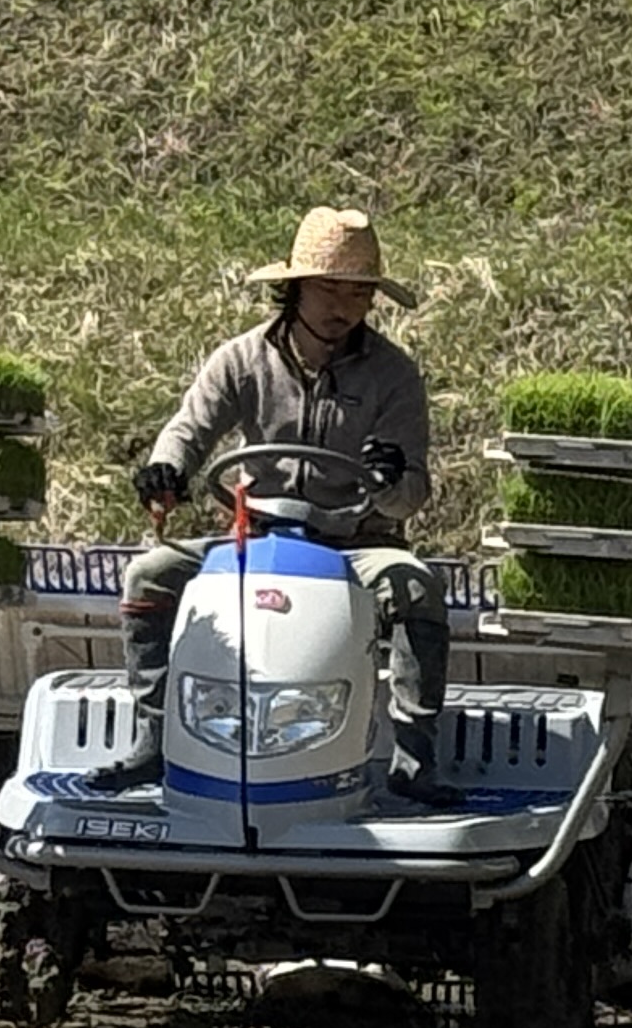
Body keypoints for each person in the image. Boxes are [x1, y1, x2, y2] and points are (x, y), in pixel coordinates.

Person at [101, 206, 449, 800]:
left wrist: (387, 481)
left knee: (415, 585)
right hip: (252, 539)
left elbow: (410, 493)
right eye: (329, 288)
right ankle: (156, 735)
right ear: (293, 289)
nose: (343, 306)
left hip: (356, 544)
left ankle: (415, 757)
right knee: (149, 573)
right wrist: (167, 468)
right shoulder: (240, 360)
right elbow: (190, 430)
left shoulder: (395, 376)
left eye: (359, 292)